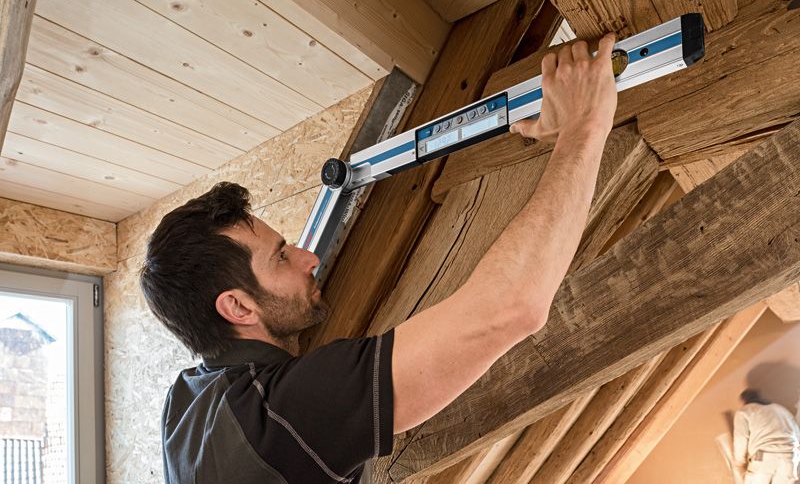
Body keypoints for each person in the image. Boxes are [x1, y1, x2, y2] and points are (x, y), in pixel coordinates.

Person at [139, 33, 619, 484]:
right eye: (281, 257)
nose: (309, 258)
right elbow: (512, 306)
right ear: (237, 307)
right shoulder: (281, 414)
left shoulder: (186, 405)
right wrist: (584, 127)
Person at [734, 389, 800, 484]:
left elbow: (741, 438)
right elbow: (797, 435)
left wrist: (739, 462)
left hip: (764, 458)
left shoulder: (745, 411)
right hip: (790, 459)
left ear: (745, 401)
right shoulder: (781, 410)